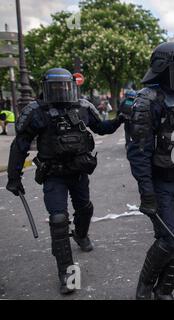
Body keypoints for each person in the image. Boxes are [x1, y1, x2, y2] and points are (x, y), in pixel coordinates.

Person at [6, 68, 124, 294]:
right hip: (54, 175)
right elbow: (20, 145)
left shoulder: (84, 107)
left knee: (85, 210)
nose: (61, 91)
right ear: (47, 88)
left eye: (64, 86)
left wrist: (120, 119)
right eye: (56, 87)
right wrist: (13, 177)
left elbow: (102, 128)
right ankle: (66, 274)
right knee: (58, 220)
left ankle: (80, 235)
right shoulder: (37, 111)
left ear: (71, 86)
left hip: (78, 172)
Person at [127, 42, 174, 300]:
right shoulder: (147, 100)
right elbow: (139, 151)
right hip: (162, 183)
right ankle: (145, 286)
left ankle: (164, 290)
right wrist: (146, 192)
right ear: (164, 68)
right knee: (168, 239)